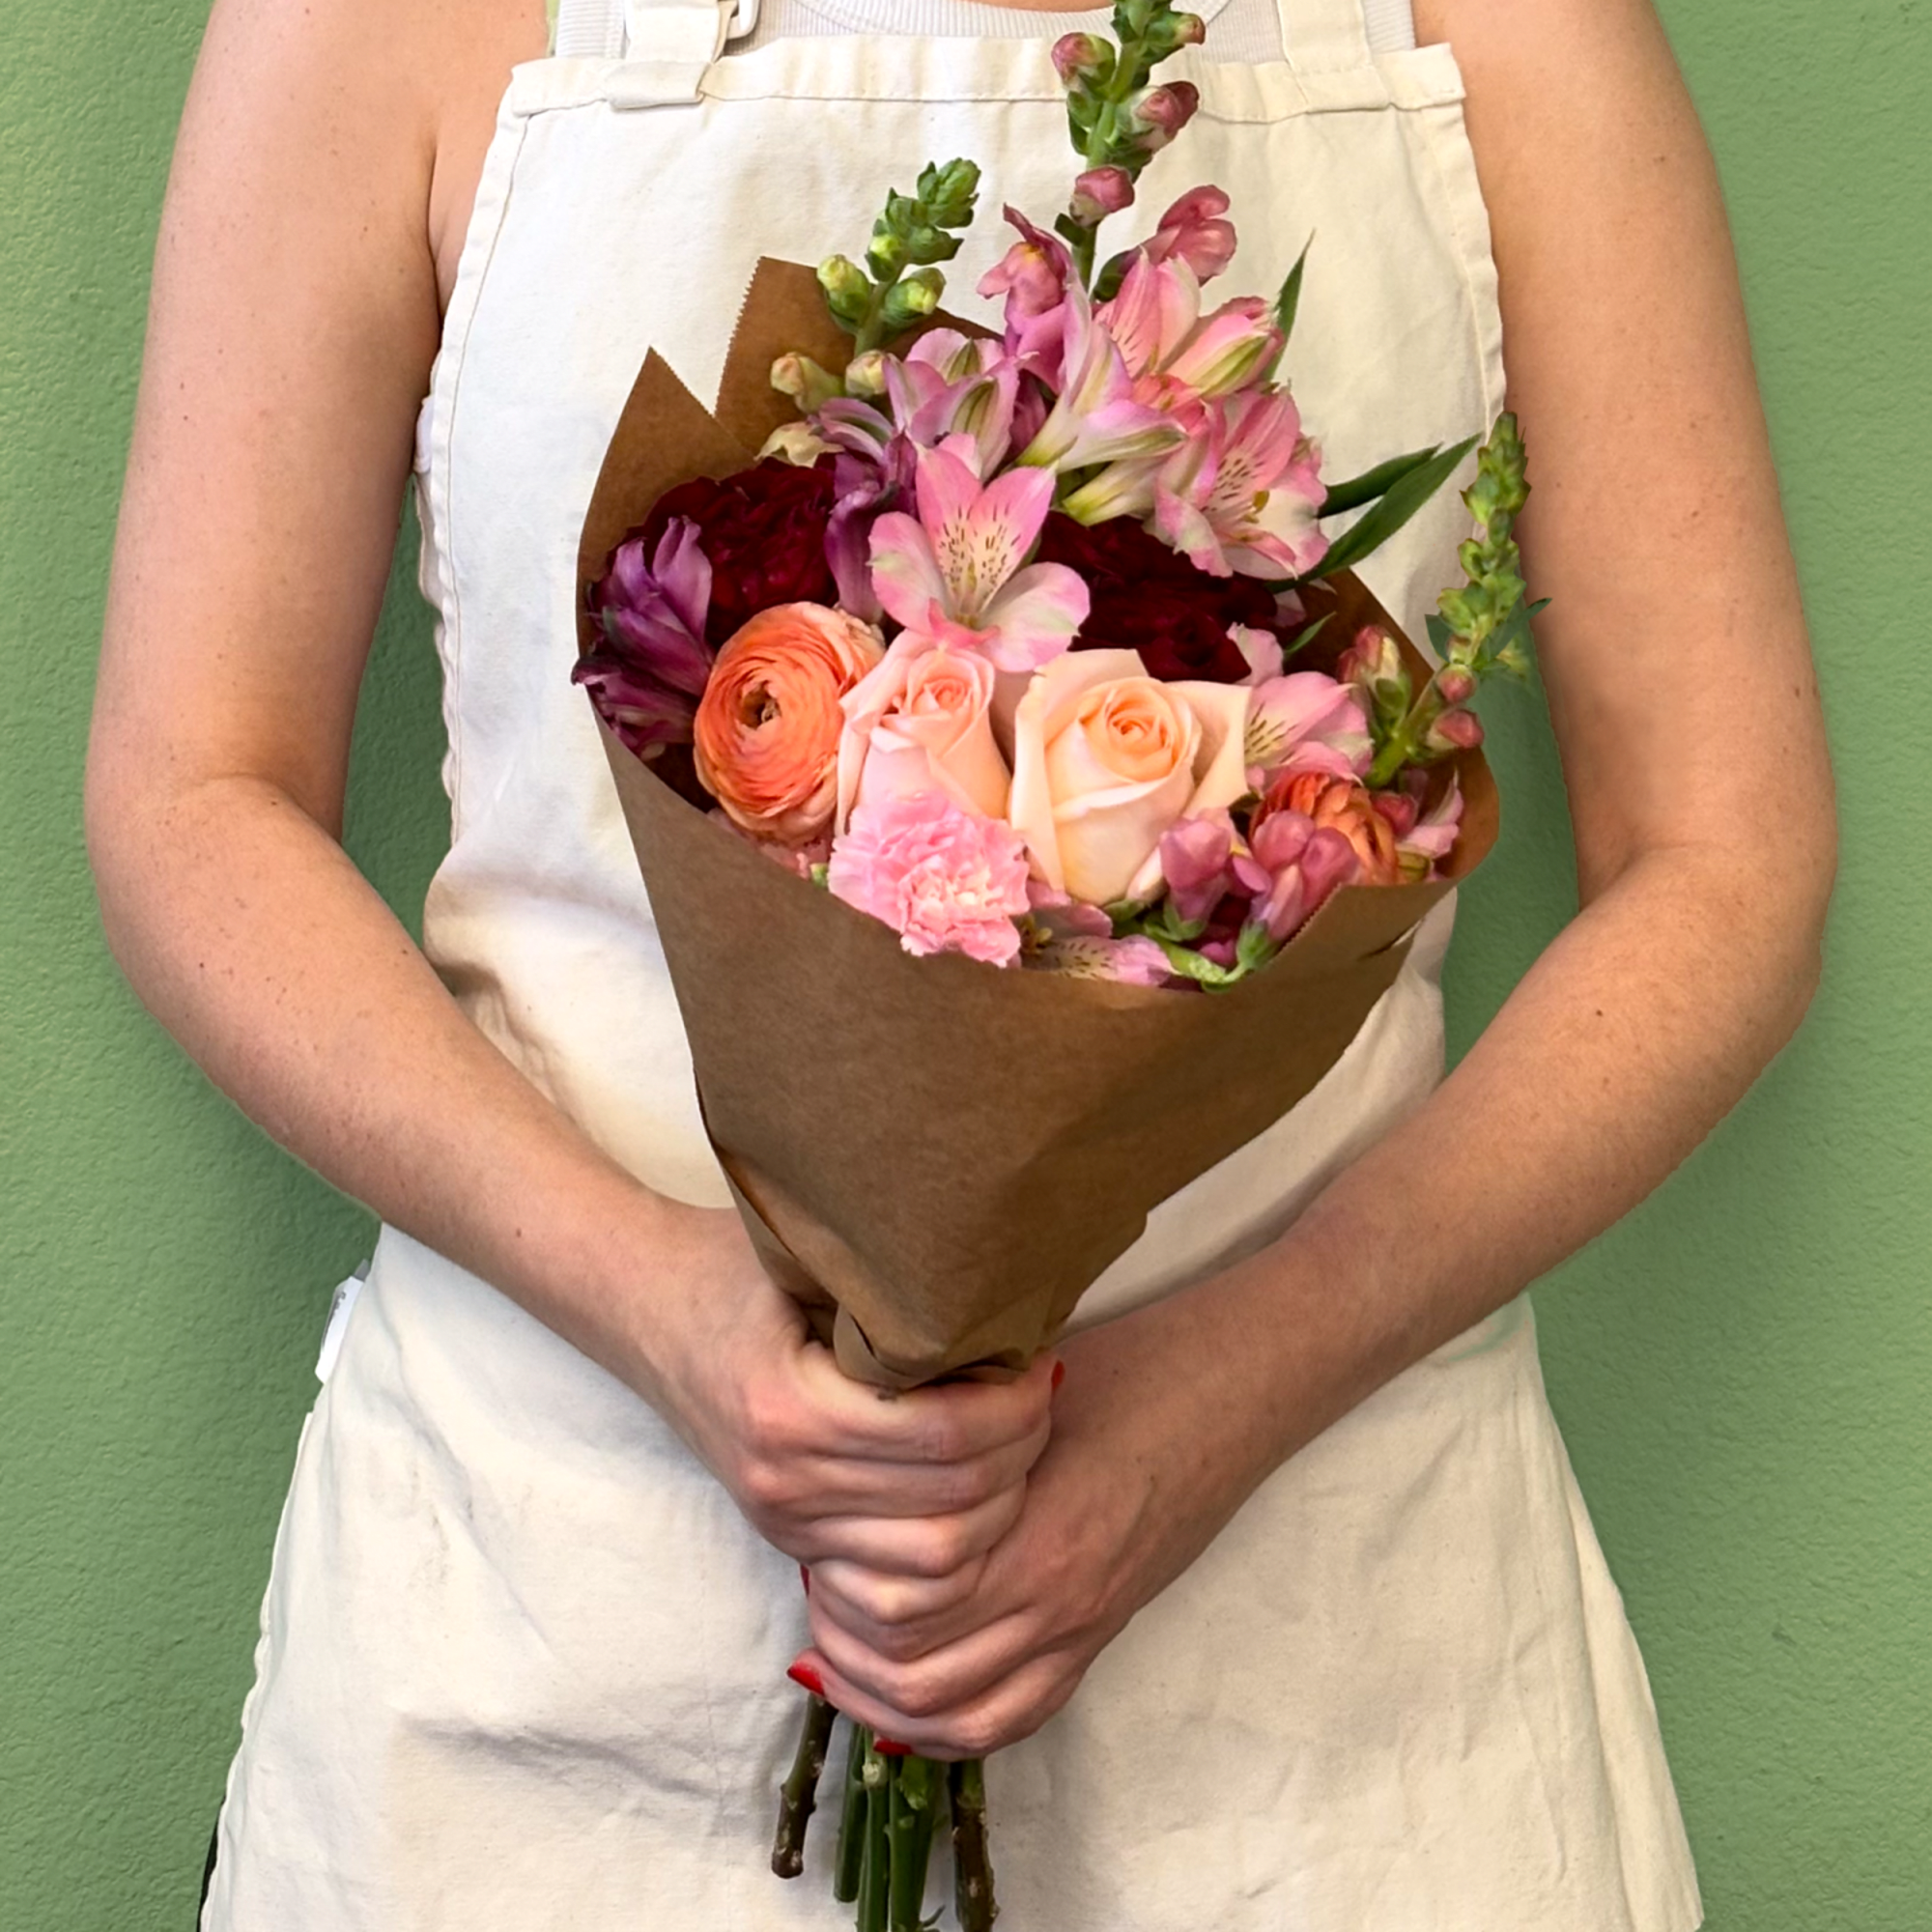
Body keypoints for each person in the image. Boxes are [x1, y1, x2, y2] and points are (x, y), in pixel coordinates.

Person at [87, 0, 1833, 1923]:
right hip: (550, 1643)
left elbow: (1720, 859)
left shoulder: (1510, 33)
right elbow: (194, 794)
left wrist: (1228, 1385)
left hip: (1337, 1683)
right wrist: (664, 1302)